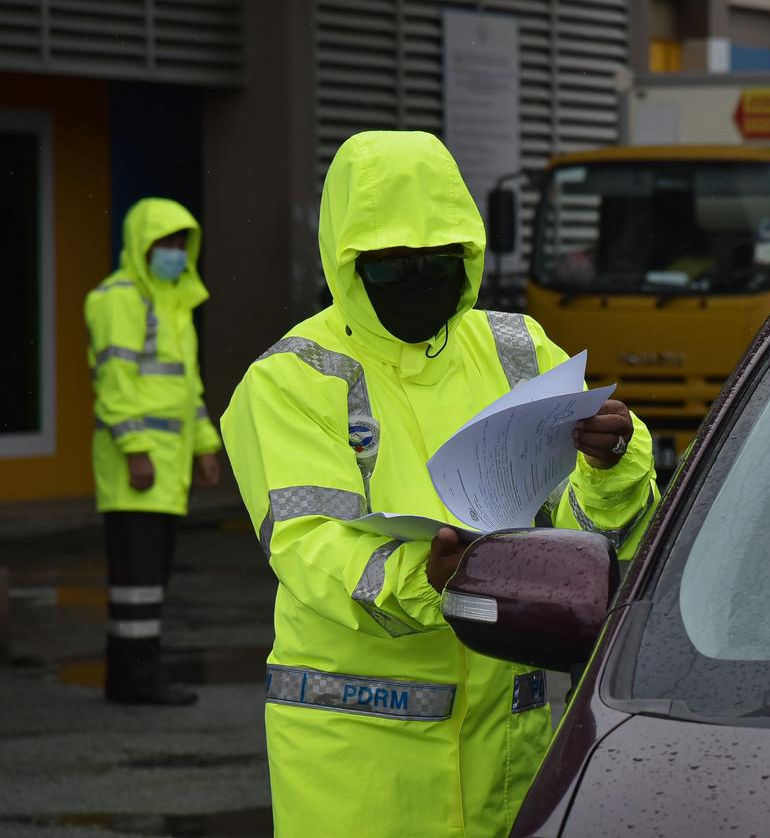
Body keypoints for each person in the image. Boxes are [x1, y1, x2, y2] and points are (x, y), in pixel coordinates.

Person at [220, 131, 659, 837]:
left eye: (438, 261)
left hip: (506, 757)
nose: (420, 280)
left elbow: (594, 541)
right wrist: (425, 579)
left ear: (469, 253)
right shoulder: (293, 378)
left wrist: (610, 466)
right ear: (346, 263)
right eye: (393, 267)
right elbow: (310, 548)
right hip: (359, 769)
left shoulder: (518, 347)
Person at [84, 197, 222, 706]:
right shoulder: (118, 299)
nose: (175, 252)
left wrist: (204, 446)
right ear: (141, 245)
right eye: (165, 242)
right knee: (136, 583)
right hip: (136, 467)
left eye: (182, 242)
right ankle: (138, 680)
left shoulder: (172, 302)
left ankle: (131, 679)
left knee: (147, 582)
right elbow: (114, 383)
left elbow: (186, 388)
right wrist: (135, 450)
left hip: (166, 467)